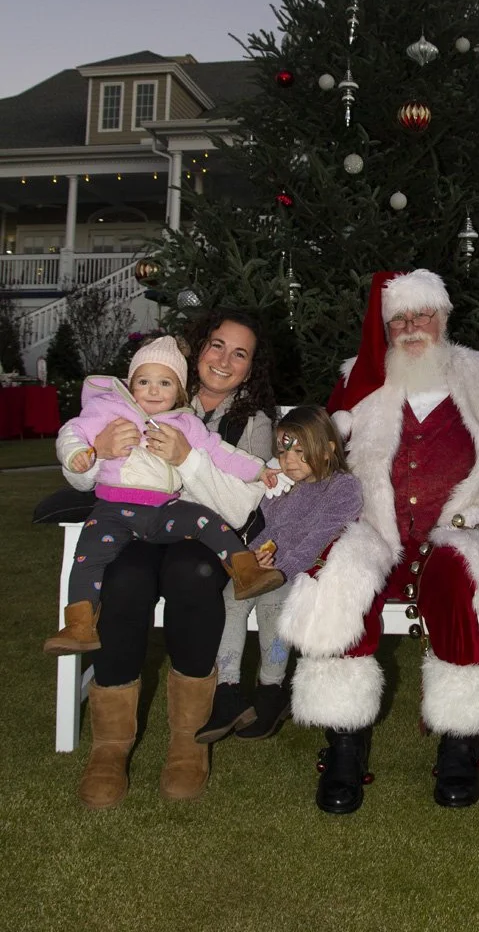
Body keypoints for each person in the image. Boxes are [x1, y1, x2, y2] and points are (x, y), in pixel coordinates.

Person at [278, 269, 479, 815]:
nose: (411, 326)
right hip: (375, 526)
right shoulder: (360, 380)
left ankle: (460, 741)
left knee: (463, 580)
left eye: (422, 314)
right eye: (399, 318)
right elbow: (317, 448)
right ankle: (343, 742)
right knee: (339, 576)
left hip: (456, 529)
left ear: (443, 317)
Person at [55, 309, 277, 808]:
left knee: (194, 576)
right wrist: (95, 456)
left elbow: (241, 504)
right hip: (129, 527)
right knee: (125, 581)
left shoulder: (254, 421)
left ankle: (186, 744)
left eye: (240, 353)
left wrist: (187, 459)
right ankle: (110, 748)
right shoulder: (143, 393)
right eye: (217, 345)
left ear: (250, 366)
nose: (224, 360)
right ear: (196, 350)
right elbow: (86, 467)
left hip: (198, 539)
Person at [46, 337, 279, 656]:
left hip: (162, 510)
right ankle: (79, 624)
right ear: (130, 385)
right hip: (112, 509)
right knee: (88, 555)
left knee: (206, 521)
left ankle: (245, 570)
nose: (153, 390)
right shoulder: (109, 411)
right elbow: (73, 431)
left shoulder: (185, 423)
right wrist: (83, 453)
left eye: (164, 382)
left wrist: (256, 470)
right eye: (144, 381)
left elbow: (219, 452)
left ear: (180, 392)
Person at [196, 405, 363, 744]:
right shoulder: (284, 487)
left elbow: (318, 539)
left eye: (301, 452)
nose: (289, 460)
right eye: (284, 450)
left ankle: (271, 690)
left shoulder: (342, 488)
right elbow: (268, 530)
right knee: (231, 598)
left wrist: (281, 572)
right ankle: (227, 689)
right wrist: (253, 555)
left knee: (275, 605)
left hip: (309, 571)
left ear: (329, 449)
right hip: (270, 567)